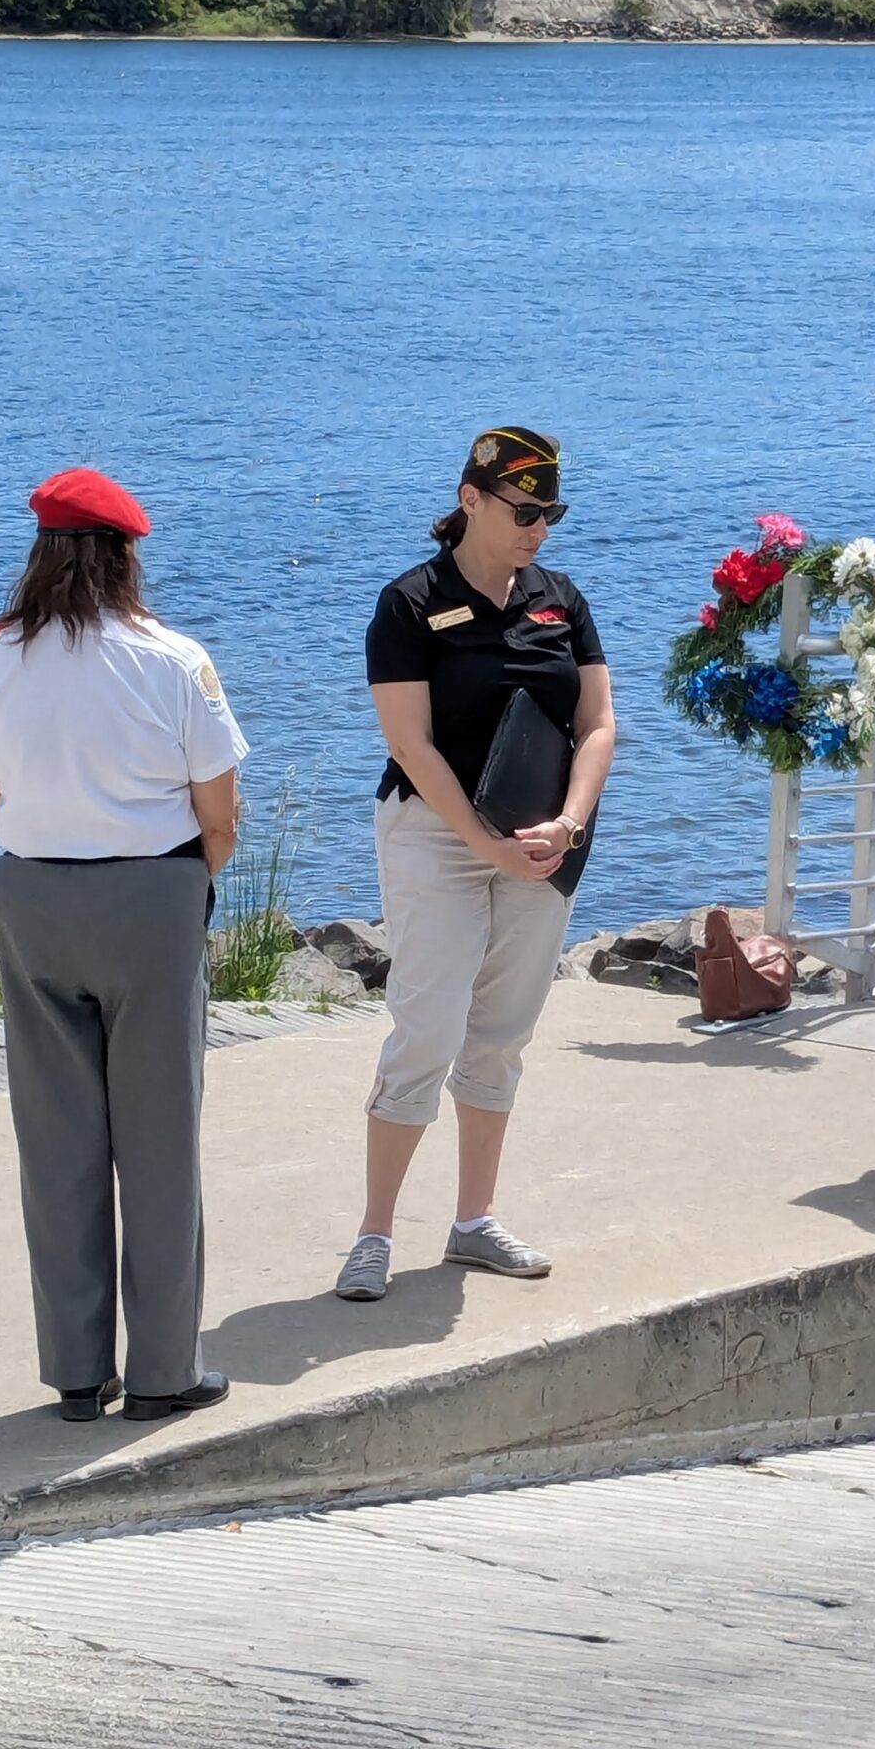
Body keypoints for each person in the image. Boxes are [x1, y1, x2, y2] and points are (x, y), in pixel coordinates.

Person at [0, 466, 247, 1423]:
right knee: (160, 1144)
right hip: (150, 894)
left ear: (40, 555)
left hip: (32, 895)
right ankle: (163, 1372)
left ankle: (76, 1372)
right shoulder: (171, 659)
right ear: (124, 555)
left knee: (57, 1142)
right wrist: (183, 884)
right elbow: (220, 814)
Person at [340, 427, 617, 1302]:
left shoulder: (559, 597)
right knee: (427, 1026)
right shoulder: (410, 602)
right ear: (471, 499)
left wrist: (567, 823)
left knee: (502, 1033)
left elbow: (599, 724)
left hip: (541, 839)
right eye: (525, 510)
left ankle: (472, 1223)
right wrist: (481, 841)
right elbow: (410, 745)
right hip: (436, 830)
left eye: (552, 512)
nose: (541, 528)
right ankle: (375, 1233)